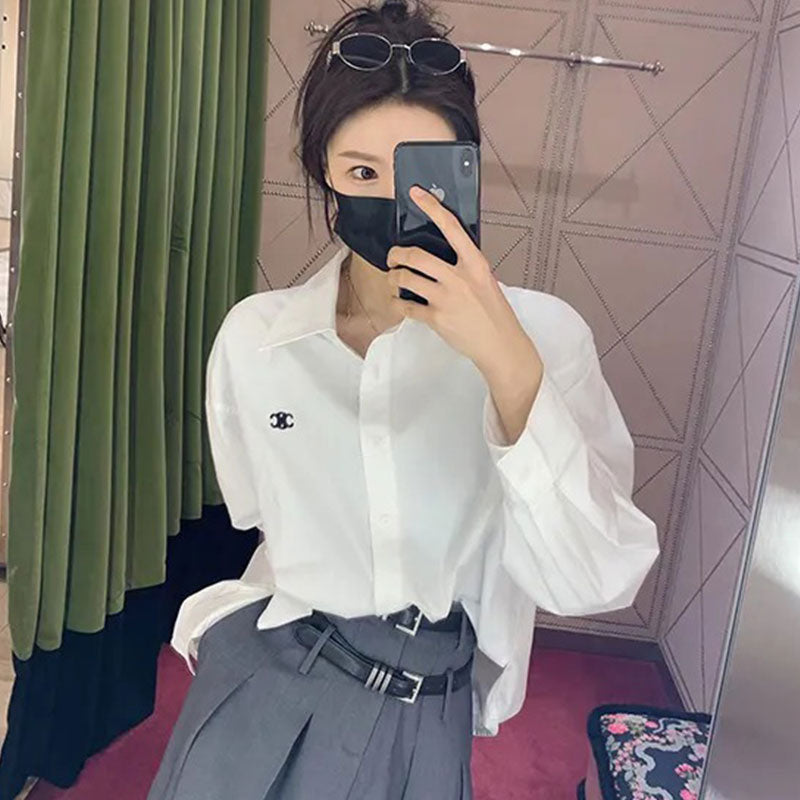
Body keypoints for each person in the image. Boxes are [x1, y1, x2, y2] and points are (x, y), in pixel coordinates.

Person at [147, 1, 660, 798]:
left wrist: (504, 361)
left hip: (430, 706)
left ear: (465, 170)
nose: (392, 200)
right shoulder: (257, 340)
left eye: (420, 173)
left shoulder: (544, 338)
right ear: (321, 171)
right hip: (269, 674)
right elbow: (259, 517)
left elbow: (594, 580)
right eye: (361, 172)